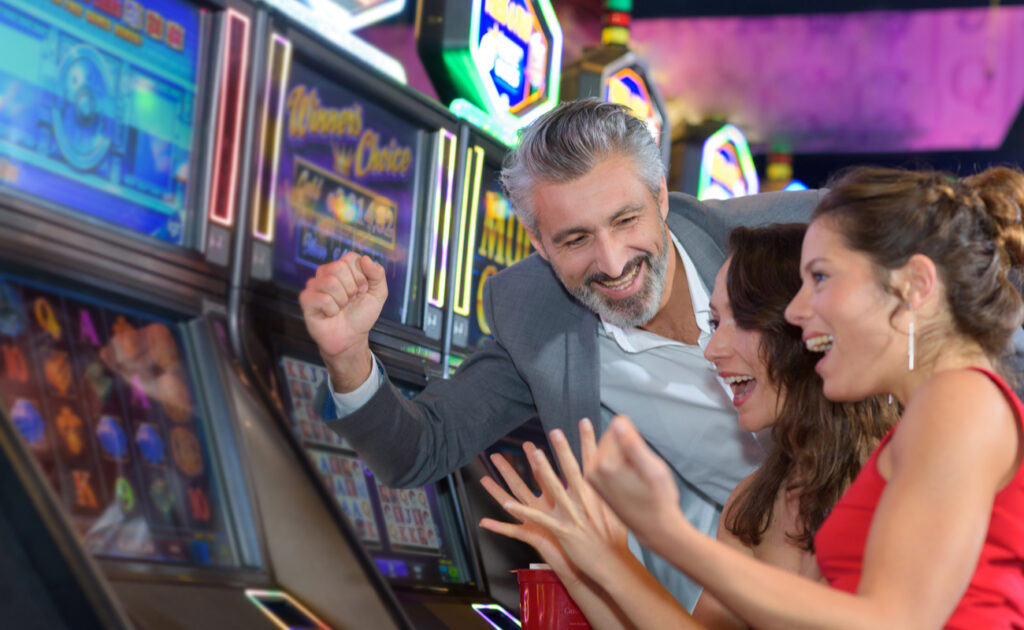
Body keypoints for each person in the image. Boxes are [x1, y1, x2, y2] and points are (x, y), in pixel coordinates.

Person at [299, 98, 824, 607]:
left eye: (625, 221)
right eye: (576, 240)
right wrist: (348, 355)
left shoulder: (802, 234)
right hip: (744, 586)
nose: (612, 263)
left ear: (661, 196)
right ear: (537, 241)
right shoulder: (535, 316)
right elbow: (419, 449)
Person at [583, 166, 1024, 628]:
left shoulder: (959, 398)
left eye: (821, 277)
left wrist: (670, 534)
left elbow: (892, 621)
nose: (796, 309)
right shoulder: (940, 409)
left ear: (914, 285)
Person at [481, 223, 895, 629]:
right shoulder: (752, 501)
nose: (712, 349)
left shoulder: (897, 471)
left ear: (811, 324)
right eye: (715, 323)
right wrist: (579, 561)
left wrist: (628, 551)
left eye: (743, 320)